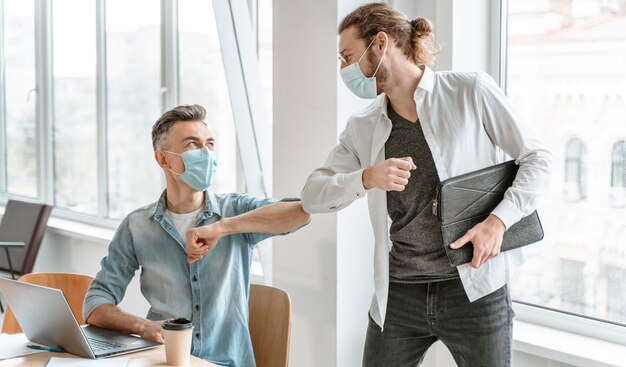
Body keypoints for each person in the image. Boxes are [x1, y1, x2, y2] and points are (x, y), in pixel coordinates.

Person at [300, 3, 551, 367]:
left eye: (347, 56)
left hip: (475, 288)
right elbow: (312, 194)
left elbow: (538, 158)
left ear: (380, 43)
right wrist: (367, 177)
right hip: (399, 294)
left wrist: (498, 222)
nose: (343, 69)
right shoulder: (363, 126)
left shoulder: (471, 92)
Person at [83, 104, 310, 367]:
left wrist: (222, 227)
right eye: (193, 145)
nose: (205, 153)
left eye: (209, 144)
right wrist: (143, 326)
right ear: (163, 159)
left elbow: (300, 213)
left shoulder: (235, 211)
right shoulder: (137, 226)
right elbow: (95, 302)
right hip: (164, 361)